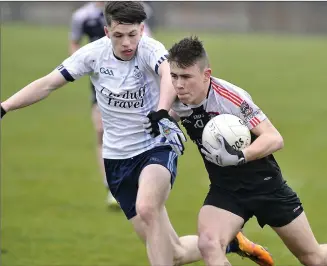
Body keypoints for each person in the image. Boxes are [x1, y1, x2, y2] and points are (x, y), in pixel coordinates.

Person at [0, 2, 273, 266]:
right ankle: (232, 243)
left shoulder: (150, 49)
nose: (127, 43)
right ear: (107, 32)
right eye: (119, 36)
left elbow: (167, 73)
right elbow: (48, 83)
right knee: (173, 252)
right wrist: (5, 107)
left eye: (132, 34)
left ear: (142, 30)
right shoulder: (93, 54)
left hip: (156, 145)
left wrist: (162, 112)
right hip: (117, 159)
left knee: (147, 208)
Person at [148, 35, 327, 266]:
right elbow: (165, 118)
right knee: (209, 244)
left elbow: (273, 137)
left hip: (267, 187)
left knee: (315, 259)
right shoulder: (176, 98)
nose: (179, 84)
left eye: (186, 77)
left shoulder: (230, 99)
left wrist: (240, 156)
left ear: (206, 75)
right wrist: (164, 125)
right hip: (226, 190)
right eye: (174, 76)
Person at [69, 1, 153, 207]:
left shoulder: (133, 11)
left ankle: (142, 180)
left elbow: (148, 41)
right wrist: (79, 63)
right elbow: (74, 42)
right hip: (102, 81)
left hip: (133, 83)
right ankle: (111, 187)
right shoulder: (82, 16)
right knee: (101, 131)